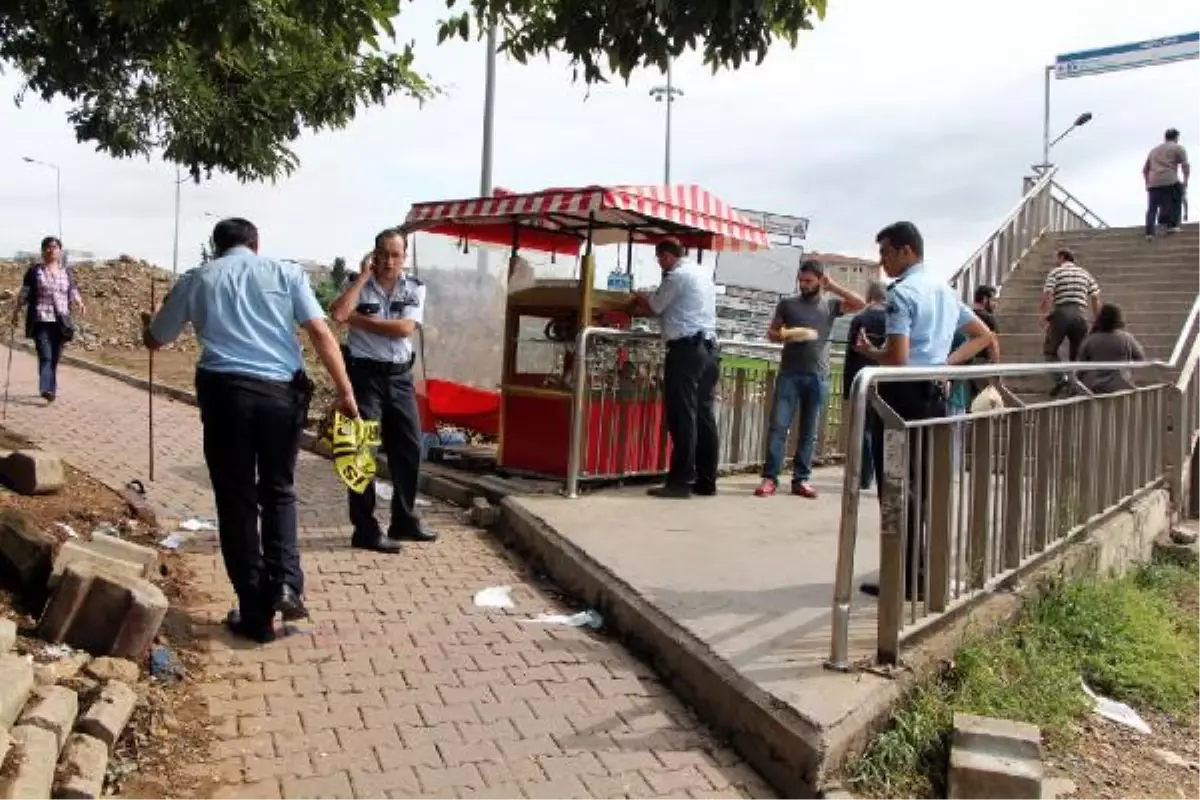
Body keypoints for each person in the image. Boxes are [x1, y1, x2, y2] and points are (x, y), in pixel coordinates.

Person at [143, 218, 358, 644]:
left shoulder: (197, 279)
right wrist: (346, 392)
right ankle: (285, 585)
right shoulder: (286, 272)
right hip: (281, 397)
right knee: (279, 490)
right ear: (256, 245)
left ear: (215, 247)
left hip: (225, 398)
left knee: (237, 499)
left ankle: (256, 613)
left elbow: (157, 338)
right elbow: (319, 331)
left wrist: (147, 324)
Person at [853, 221, 996, 599]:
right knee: (923, 486)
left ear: (906, 251)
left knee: (897, 486)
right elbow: (983, 334)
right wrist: (948, 364)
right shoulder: (944, 291)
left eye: (885, 253)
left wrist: (872, 352)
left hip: (901, 396)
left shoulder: (902, 294)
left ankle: (904, 577)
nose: (882, 262)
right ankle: (920, 572)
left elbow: (897, 359)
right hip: (933, 395)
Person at [329, 229, 435, 553]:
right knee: (361, 454)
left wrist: (358, 321)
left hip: (400, 378)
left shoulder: (415, 287)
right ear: (373, 254)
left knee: (409, 448)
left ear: (405, 257)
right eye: (383, 254)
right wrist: (362, 279)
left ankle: (404, 520)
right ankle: (365, 529)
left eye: (395, 255)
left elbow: (404, 328)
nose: (389, 261)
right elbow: (337, 314)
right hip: (365, 379)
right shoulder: (356, 284)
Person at [755, 259, 866, 498]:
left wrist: (833, 286)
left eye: (809, 281)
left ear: (819, 280)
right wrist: (786, 335)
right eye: (801, 280)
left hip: (818, 375)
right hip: (790, 373)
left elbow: (861, 303)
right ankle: (770, 478)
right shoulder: (787, 304)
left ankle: (801, 479)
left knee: (810, 430)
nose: (803, 285)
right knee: (778, 427)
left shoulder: (831, 305)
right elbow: (772, 334)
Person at [631, 238, 720, 499]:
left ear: (667, 256)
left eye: (660, 259)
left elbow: (655, 307)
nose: (660, 264)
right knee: (704, 416)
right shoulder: (701, 272)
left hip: (686, 350)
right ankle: (706, 481)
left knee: (683, 417)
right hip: (709, 349)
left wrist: (639, 296)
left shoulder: (676, 276)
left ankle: (679, 482)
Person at [11, 236, 86, 403]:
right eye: (47, 247)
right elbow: (24, 293)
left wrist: (80, 302)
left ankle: (49, 387)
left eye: (54, 247)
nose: (51, 250)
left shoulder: (65, 273)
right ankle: (46, 388)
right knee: (45, 355)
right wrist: (16, 312)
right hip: (41, 319)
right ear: (42, 251)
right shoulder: (34, 272)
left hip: (61, 321)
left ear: (60, 251)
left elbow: (72, 290)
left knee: (55, 357)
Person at [842, 280, 888, 491]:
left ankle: (864, 476)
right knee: (883, 428)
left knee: (863, 428)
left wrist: (847, 386)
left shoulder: (861, 319)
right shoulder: (893, 319)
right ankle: (881, 474)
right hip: (886, 381)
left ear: (869, 295)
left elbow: (851, 354)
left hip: (862, 379)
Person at [1040, 248, 1101, 395]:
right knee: (1078, 352)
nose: (1054, 261)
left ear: (1062, 257)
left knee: (1050, 350)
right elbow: (1095, 298)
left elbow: (1048, 294)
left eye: (1056, 258)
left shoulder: (1056, 272)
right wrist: (1098, 320)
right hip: (1081, 314)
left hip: (1061, 313)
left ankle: (1062, 380)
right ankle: (1075, 384)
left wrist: (1044, 315)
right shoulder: (1085, 274)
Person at [1079, 303, 1146, 395]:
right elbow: (1140, 357)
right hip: (1122, 386)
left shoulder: (1090, 339)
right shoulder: (1126, 338)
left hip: (1095, 388)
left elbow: (1080, 365)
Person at [1143, 128, 1189, 239]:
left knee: (1152, 208)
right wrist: (1186, 180)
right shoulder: (1178, 148)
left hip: (1153, 182)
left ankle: (1149, 232)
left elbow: (1145, 170)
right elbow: (1185, 165)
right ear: (1176, 138)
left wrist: (1147, 183)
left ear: (1165, 137)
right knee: (1177, 197)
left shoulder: (1153, 150)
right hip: (1169, 180)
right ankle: (1172, 226)